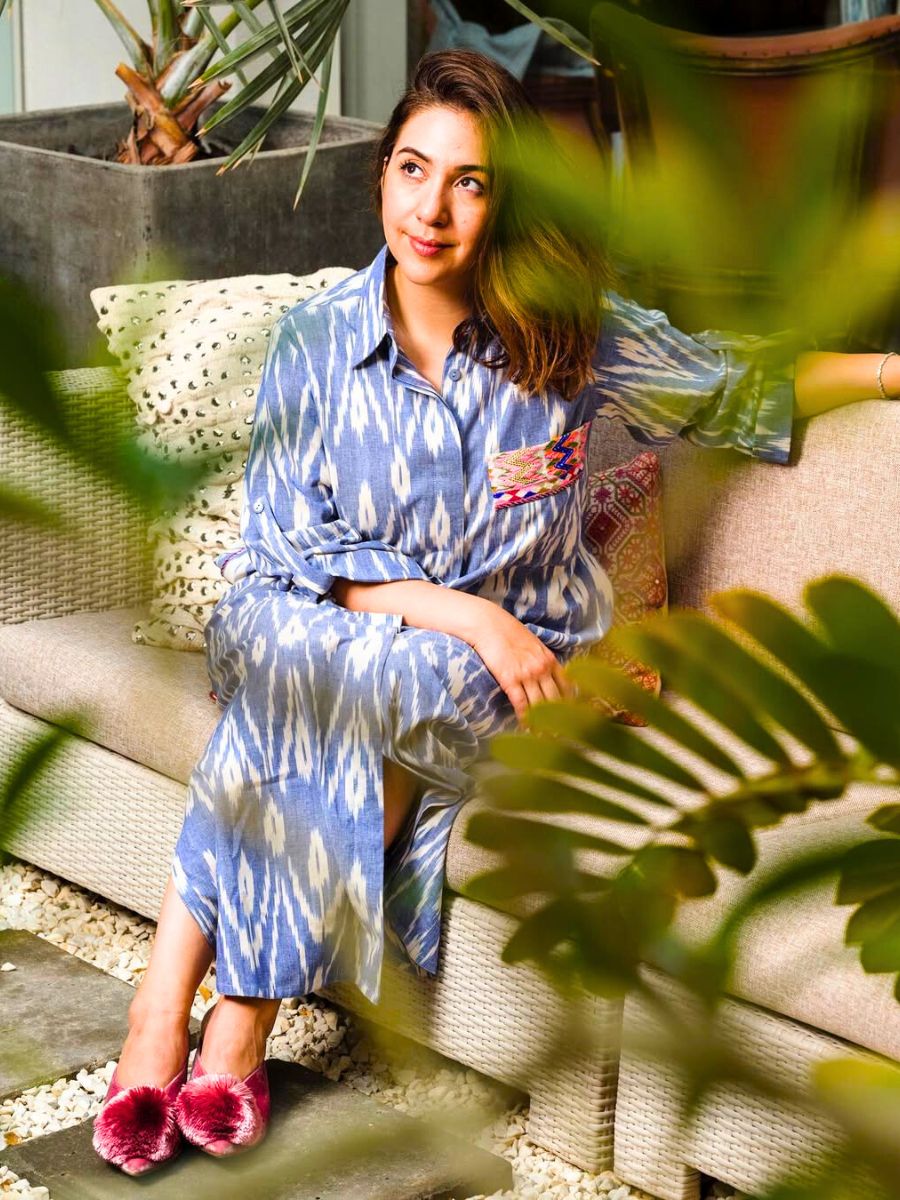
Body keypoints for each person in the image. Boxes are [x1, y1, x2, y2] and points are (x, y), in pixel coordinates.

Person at [92, 48, 899, 1174]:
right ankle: (204, 1018)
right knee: (313, 652)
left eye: (469, 181)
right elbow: (285, 550)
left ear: (503, 200)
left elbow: (734, 383)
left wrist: (887, 374)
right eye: (414, 169)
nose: (432, 207)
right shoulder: (317, 341)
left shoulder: (560, 332)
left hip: (499, 676)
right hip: (333, 624)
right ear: (382, 175)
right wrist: (470, 615)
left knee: (377, 681)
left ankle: (189, 1008)